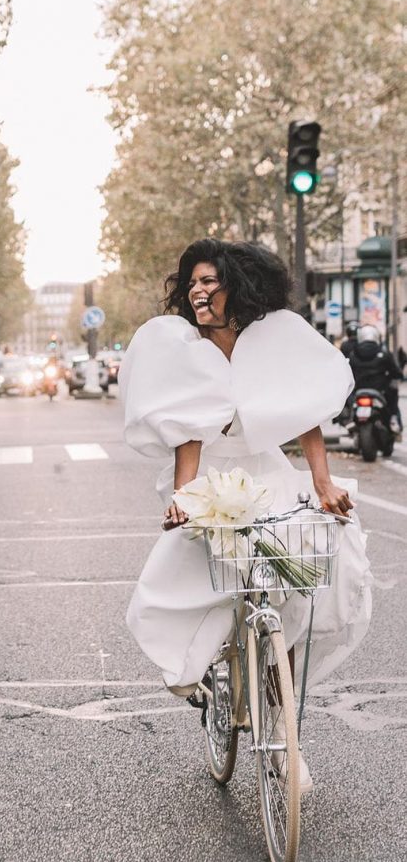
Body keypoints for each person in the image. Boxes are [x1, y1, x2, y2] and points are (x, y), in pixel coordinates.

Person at [119, 238, 371, 789]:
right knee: (189, 573)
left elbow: (303, 415)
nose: (200, 291)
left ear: (239, 285)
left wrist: (323, 484)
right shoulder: (185, 347)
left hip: (268, 473)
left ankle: (282, 724)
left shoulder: (271, 337)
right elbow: (188, 431)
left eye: (210, 281)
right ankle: (206, 676)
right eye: (192, 285)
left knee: (298, 579)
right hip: (211, 474)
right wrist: (184, 496)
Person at [346, 324, 403, 433]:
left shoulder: (353, 354)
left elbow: (349, 371)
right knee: (393, 391)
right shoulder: (384, 353)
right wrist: (398, 375)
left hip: (359, 389)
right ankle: (393, 419)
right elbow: (395, 371)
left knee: (348, 394)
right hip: (380, 389)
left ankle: (350, 418)